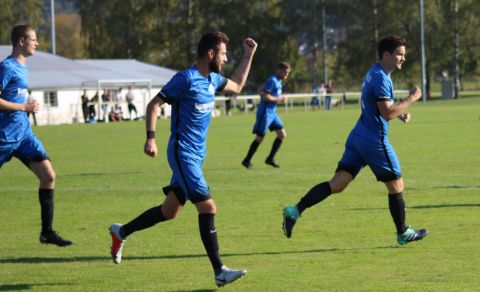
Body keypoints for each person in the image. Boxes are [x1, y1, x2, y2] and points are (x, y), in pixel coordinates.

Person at [109, 32, 257, 287]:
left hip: (197, 156)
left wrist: (248, 55)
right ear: (210, 54)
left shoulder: (213, 79)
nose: (226, 57)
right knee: (208, 207)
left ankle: (120, 232)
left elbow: (237, 86)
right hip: (182, 153)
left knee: (169, 211)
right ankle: (219, 271)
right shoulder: (185, 79)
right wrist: (151, 138)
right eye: (223, 53)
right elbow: (154, 104)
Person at [282, 35, 427, 246]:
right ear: (386, 55)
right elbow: (386, 113)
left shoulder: (375, 72)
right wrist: (411, 99)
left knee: (337, 184)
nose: (403, 58)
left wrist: (399, 112)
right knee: (396, 184)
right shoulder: (381, 77)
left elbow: (380, 106)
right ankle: (403, 232)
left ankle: (295, 210)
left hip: (358, 136)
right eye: (400, 54)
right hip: (373, 140)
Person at [0, 25, 72, 247]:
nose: (37, 43)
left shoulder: (23, 67)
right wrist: (23, 107)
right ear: (21, 41)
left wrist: (26, 108)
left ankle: (47, 232)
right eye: (33, 39)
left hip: (24, 136)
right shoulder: (7, 67)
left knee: (48, 175)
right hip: (4, 137)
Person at [241, 61, 290, 169]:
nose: (286, 75)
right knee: (259, 138)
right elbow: (265, 97)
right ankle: (246, 160)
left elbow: (262, 91)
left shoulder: (278, 81)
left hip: (273, 113)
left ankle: (270, 158)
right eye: (285, 72)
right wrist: (279, 99)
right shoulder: (272, 80)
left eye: (288, 73)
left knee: (282, 135)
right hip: (266, 113)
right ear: (279, 70)